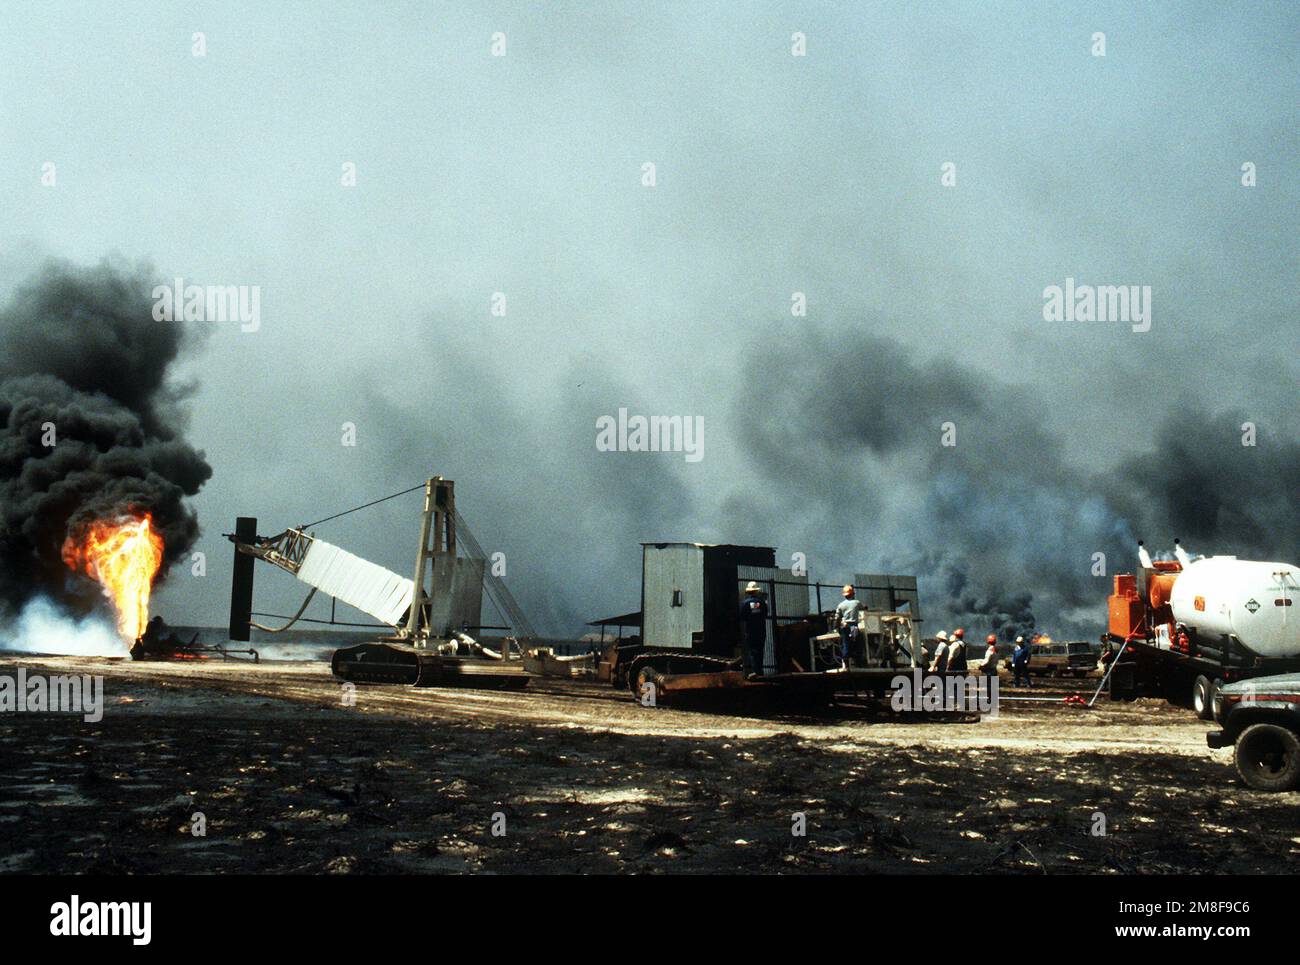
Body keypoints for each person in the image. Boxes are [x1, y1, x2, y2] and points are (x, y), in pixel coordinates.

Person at [738, 581, 769, 678]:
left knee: (752, 651)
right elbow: (765, 614)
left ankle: (755, 672)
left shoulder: (745, 603)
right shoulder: (762, 602)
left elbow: (742, 617)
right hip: (761, 630)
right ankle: (760, 670)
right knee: (760, 650)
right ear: (756, 591)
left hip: (751, 631)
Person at [832, 584, 865, 672]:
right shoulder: (856, 603)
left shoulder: (841, 605)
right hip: (853, 626)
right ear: (853, 594)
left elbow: (837, 618)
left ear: (845, 595)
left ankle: (845, 664)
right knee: (857, 644)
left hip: (844, 627)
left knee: (846, 644)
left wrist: (836, 628)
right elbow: (864, 608)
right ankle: (858, 662)